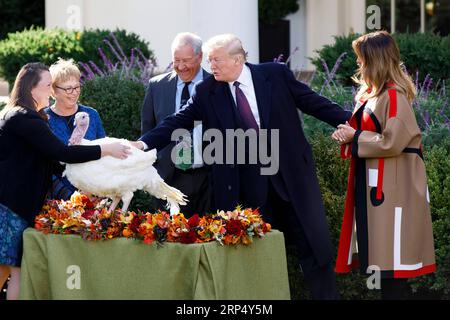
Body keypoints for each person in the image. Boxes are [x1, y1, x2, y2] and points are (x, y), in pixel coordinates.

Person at [136, 34, 351, 299]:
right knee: (259, 255)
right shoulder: (207, 91)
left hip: (290, 177)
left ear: (237, 59)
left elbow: (313, 103)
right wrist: (143, 145)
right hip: (249, 186)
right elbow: (176, 122)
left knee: (313, 248)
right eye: (210, 60)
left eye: (216, 60)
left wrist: (354, 122)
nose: (211, 66)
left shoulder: (275, 75)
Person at [0, 62, 130, 300]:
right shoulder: (24, 119)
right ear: (31, 89)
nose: (51, 91)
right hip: (10, 209)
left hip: (15, 206)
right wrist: (106, 149)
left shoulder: (24, 116)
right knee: (10, 272)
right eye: (49, 85)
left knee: (14, 272)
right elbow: (62, 154)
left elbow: (53, 161)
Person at [331, 31, 436, 300]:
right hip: (377, 186)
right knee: (381, 264)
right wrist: (348, 134)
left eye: (362, 59)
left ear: (375, 60)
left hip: (393, 190)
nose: (360, 65)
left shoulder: (394, 96)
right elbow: (371, 134)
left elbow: (392, 142)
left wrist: (355, 136)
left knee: (391, 267)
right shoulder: (374, 94)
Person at [141, 32, 211, 216]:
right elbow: (148, 129)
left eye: (186, 60)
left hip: (209, 178)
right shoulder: (157, 86)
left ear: (200, 57)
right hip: (168, 179)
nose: (180, 67)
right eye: (176, 60)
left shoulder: (216, 85)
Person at [45, 58, 106, 200]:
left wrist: (99, 192)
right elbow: (44, 167)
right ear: (53, 91)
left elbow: (103, 154)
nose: (74, 92)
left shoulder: (92, 115)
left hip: (94, 194)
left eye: (77, 87)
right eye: (68, 88)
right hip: (58, 199)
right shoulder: (43, 119)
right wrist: (70, 196)